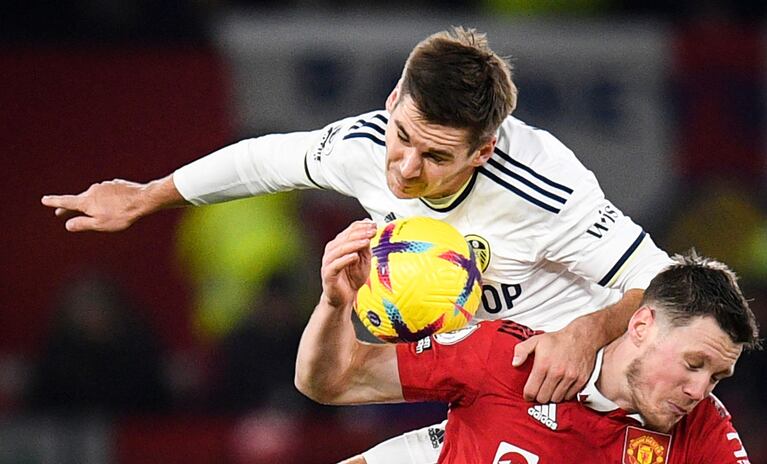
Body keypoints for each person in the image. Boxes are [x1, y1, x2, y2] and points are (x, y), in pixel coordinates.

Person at [41, 27, 674, 461]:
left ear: (483, 151)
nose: (404, 168)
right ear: (393, 99)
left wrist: (586, 332)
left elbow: (667, 283)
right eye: (403, 135)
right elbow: (267, 160)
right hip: (477, 382)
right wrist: (149, 195)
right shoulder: (365, 148)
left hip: (580, 401)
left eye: (436, 156)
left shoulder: (545, 191)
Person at [295, 220, 759, 463]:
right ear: (641, 327)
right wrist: (335, 306)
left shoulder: (703, 429)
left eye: (717, 377)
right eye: (693, 363)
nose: (700, 391)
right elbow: (331, 381)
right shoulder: (509, 357)